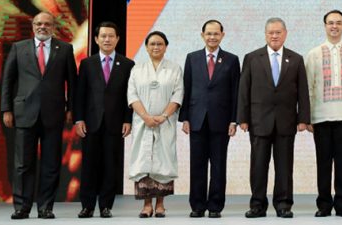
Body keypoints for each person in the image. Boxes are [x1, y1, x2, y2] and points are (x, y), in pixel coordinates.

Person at [0, 12, 77, 220]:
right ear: (33, 26)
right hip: (24, 113)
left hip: (54, 114)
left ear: (53, 27)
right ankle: (22, 207)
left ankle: (45, 207)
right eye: (39, 23)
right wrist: (6, 109)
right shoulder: (19, 48)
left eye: (47, 24)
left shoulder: (65, 49)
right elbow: (8, 81)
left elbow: (73, 82)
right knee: (23, 163)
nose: (42, 27)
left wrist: (71, 109)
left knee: (51, 163)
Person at [238, 17, 310, 219]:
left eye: (278, 32)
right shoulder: (252, 58)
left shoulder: (296, 59)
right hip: (259, 121)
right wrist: (242, 118)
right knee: (258, 165)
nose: (274, 36)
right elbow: (244, 90)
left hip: (286, 121)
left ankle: (283, 204)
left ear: (285, 34)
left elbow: (302, 91)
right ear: (265, 34)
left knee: (284, 167)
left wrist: (303, 118)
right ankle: (257, 205)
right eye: (271, 32)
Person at [179, 20, 240, 218]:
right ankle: (197, 205)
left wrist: (234, 120)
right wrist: (185, 118)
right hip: (196, 120)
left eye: (216, 34)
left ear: (222, 35)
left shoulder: (231, 59)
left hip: (221, 121)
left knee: (218, 164)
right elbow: (186, 89)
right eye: (208, 34)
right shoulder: (192, 58)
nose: (212, 37)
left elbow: (235, 92)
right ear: (202, 35)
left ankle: (215, 206)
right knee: (197, 164)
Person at [74, 21, 135, 218]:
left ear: (117, 39)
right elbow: (80, 94)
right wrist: (78, 119)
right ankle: (87, 206)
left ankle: (106, 206)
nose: (107, 39)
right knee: (89, 165)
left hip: (115, 123)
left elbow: (130, 96)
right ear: (96, 39)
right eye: (103, 36)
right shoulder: (87, 63)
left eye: (111, 36)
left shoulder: (127, 64)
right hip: (91, 123)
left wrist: (128, 120)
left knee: (111, 165)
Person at [305, 10, 342, 217]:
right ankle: (324, 205)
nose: (334, 26)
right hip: (320, 116)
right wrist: (308, 116)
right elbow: (309, 87)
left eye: (338, 23)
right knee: (323, 162)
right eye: (330, 23)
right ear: (325, 26)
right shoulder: (314, 53)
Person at [127, 31, 183, 218]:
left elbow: (178, 94)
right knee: (144, 160)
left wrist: (164, 116)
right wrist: (145, 117)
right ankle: (146, 205)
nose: (156, 47)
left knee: (163, 161)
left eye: (160, 44)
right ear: (146, 47)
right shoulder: (137, 69)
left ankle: (160, 204)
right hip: (143, 123)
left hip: (165, 123)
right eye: (152, 44)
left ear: (166, 46)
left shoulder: (174, 69)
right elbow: (132, 95)